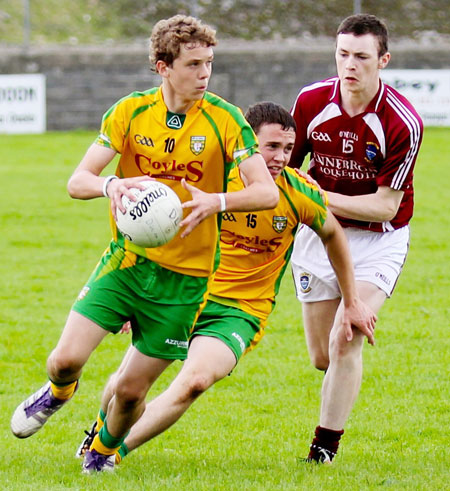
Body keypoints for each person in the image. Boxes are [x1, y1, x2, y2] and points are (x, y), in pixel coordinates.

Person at [10, 15, 280, 474]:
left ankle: (101, 456)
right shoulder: (130, 112)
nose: (204, 74)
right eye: (193, 64)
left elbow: (266, 192)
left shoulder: (225, 119)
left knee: (131, 392)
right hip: (127, 262)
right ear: (163, 67)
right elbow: (78, 181)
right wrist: (111, 186)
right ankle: (58, 391)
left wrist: (216, 201)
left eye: (209, 63)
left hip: (185, 280)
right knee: (64, 360)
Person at [75, 101, 376, 469]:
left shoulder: (299, 192)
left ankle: (108, 454)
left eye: (287, 148)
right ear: (248, 143)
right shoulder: (209, 180)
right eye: (271, 147)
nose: (281, 157)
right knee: (126, 384)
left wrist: (352, 301)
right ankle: (99, 432)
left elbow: (333, 236)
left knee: (194, 381)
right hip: (186, 295)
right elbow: (160, 231)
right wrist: (139, 295)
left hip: (241, 311)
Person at [288, 14, 423, 463]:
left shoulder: (402, 121)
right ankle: (340, 380)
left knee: (346, 340)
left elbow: (386, 206)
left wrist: (318, 196)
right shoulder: (310, 101)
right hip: (318, 237)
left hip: (377, 240)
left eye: (362, 57)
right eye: (343, 54)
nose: (350, 65)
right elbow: (285, 169)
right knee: (321, 357)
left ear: (383, 60)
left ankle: (323, 449)